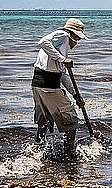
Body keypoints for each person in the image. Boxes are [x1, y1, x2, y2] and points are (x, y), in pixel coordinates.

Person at [31, 18, 88, 157]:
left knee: (44, 119)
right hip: (49, 86)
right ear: (71, 34)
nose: (77, 42)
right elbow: (42, 41)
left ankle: (37, 150)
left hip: (38, 84)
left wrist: (76, 95)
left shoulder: (58, 50)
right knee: (71, 121)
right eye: (77, 38)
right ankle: (69, 155)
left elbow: (62, 75)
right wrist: (63, 59)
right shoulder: (62, 35)